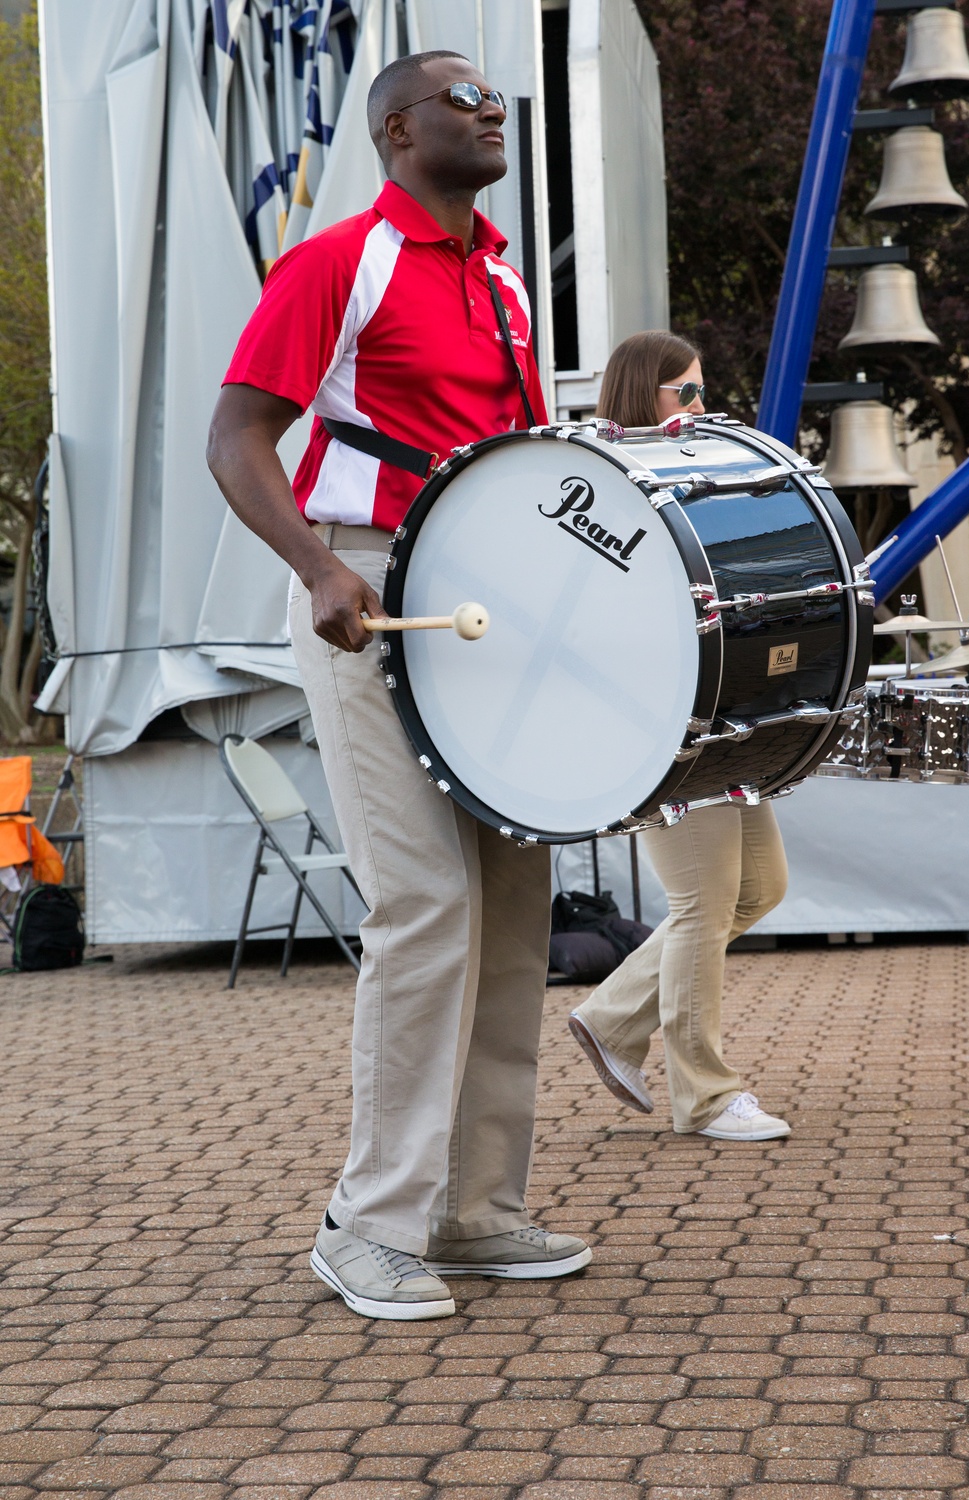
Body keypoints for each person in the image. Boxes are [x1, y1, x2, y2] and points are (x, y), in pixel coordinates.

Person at [207, 50, 591, 1321]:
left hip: (493, 606)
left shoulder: (505, 282)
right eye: (462, 99)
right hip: (372, 595)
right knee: (425, 901)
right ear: (393, 128)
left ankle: (472, 1210)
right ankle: (367, 1225)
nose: (491, 115)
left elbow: (516, 461)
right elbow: (238, 436)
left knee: (513, 898)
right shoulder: (338, 262)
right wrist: (318, 565)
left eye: (497, 103)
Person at [568, 331, 791, 1142]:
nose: (702, 407)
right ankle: (703, 1095)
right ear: (641, 396)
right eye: (685, 393)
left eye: (704, 390)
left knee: (759, 887)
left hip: (720, 712)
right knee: (701, 904)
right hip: (659, 721)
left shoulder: (690, 474)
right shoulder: (604, 483)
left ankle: (613, 1016)